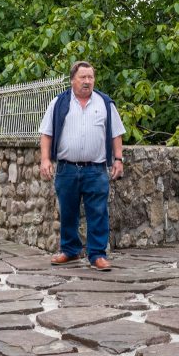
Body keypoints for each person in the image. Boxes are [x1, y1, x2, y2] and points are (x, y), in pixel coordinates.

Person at [39, 61, 125, 271]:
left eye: (90, 77)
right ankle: (70, 251)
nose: (87, 81)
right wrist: (45, 159)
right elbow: (46, 133)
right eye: (83, 77)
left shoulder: (105, 103)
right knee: (68, 211)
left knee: (98, 212)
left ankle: (97, 255)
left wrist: (119, 159)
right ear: (72, 80)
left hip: (95, 169)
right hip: (67, 169)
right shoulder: (59, 103)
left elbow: (116, 133)